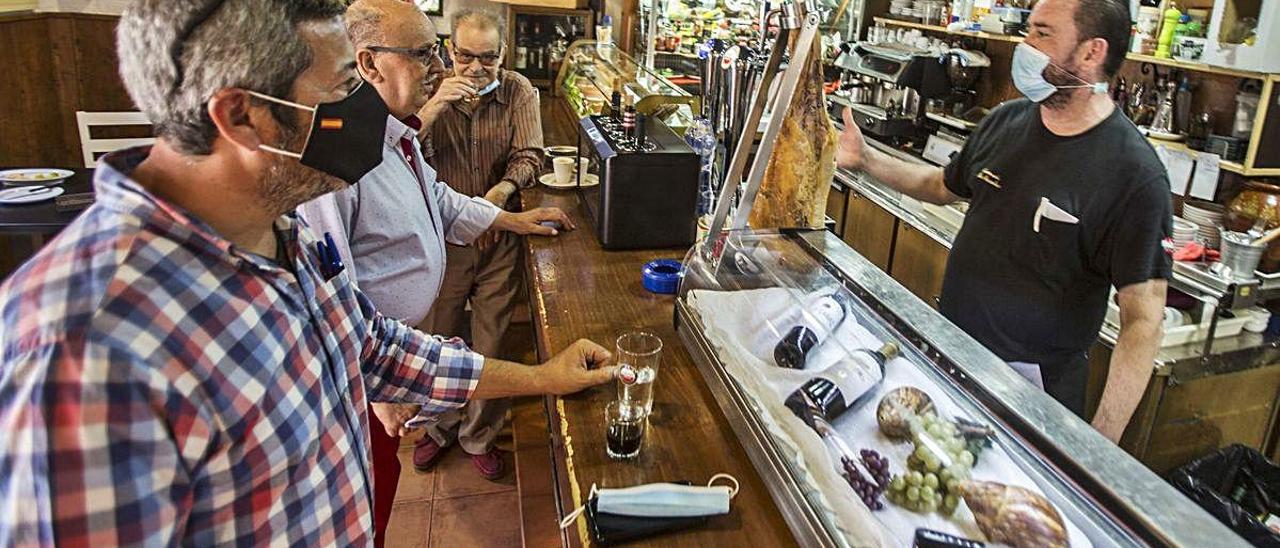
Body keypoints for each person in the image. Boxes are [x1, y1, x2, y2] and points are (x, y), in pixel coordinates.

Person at [0, 1, 615, 545]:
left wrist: (542, 377)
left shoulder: (279, 229)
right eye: (346, 87)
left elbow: (374, 347)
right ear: (242, 117)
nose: (365, 108)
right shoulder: (80, 347)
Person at [836, 0, 1170, 442]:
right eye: (1028, 29)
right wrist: (865, 159)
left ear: (1092, 53)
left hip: (1032, 394)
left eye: (1043, 34)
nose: (1025, 46)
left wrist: (1100, 445)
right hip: (953, 357)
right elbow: (940, 186)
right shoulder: (1006, 121)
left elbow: (1143, 321)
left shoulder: (1134, 175)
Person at [295, 1, 569, 538]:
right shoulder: (337, 146)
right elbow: (331, 290)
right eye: (426, 55)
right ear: (369, 64)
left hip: (387, 361)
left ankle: (470, 437)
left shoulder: (390, 133)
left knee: (380, 489)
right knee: (357, 506)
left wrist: (512, 221)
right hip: (361, 378)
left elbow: (439, 200)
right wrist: (376, 388)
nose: (442, 69)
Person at [408, 8, 542, 480]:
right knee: (439, 338)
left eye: (488, 58)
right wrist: (435, 105)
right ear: (449, 50)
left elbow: (529, 154)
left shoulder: (517, 91)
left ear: (502, 54)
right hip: (442, 241)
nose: (476, 69)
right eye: (466, 56)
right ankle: (441, 427)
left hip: (498, 238)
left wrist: (501, 193)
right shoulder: (429, 90)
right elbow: (400, 152)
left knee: (492, 342)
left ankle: (479, 435)